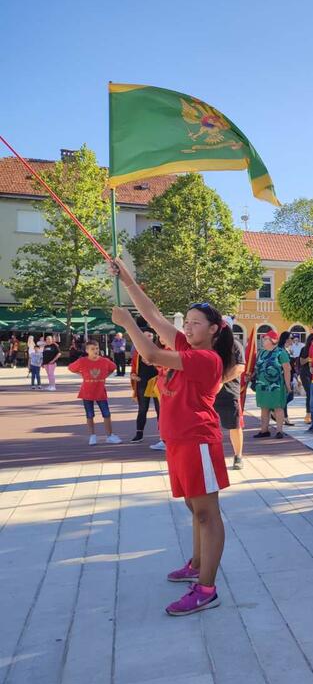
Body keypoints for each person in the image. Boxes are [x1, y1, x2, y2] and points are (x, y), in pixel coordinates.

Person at [109, 259, 235, 616]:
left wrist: (127, 323)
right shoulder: (186, 347)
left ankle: (207, 588)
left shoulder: (206, 359)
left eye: (196, 323)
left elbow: (149, 352)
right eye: (188, 322)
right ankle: (197, 564)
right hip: (179, 443)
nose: (189, 327)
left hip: (198, 442)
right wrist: (127, 277)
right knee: (193, 507)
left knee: (208, 514)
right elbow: (154, 316)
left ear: (214, 329)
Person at [67, 340, 122, 445]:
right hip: (87, 392)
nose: (95, 351)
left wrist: (106, 375)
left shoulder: (105, 361)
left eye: (96, 348)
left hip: (100, 392)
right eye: (92, 349)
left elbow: (113, 367)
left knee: (106, 414)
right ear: (87, 350)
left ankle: (110, 435)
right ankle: (92, 436)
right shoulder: (82, 361)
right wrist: (81, 374)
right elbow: (71, 368)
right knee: (90, 414)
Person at [215, 319, 246, 469]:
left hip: (229, 392)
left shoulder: (235, 345)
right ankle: (213, 456)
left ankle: (238, 456)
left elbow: (240, 367)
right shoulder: (208, 344)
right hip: (209, 393)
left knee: (234, 426)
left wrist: (221, 380)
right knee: (209, 426)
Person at [252, 330, 290, 439]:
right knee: (264, 408)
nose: (263, 340)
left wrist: (288, 385)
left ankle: (279, 431)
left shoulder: (280, 352)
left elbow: (287, 369)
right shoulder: (262, 352)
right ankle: (264, 430)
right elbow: (257, 367)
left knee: (278, 407)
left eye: (265, 338)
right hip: (262, 385)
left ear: (272, 340)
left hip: (276, 385)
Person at [130, 331, 162, 447]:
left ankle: (162, 436)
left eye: (150, 335)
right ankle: (139, 433)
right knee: (142, 409)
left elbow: (165, 367)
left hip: (158, 383)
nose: (147, 337)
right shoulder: (138, 352)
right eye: (145, 335)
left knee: (161, 410)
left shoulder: (158, 350)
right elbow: (134, 368)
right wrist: (133, 375)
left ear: (153, 338)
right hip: (142, 382)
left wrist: (154, 363)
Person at [277, 331, 296, 425]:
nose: (293, 340)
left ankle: (280, 414)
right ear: (286, 339)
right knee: (285, 398)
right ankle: (284, 417)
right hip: (284, 377)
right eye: (291, 338)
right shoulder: (281, 350)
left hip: (290, 376)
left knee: (289, 397)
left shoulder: (286, 349)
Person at [300, 332, 313, 426]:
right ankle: (308, 414)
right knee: (310, 393)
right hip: (305, 373)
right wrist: (309, 358)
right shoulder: (304, 349)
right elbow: (301, 362)